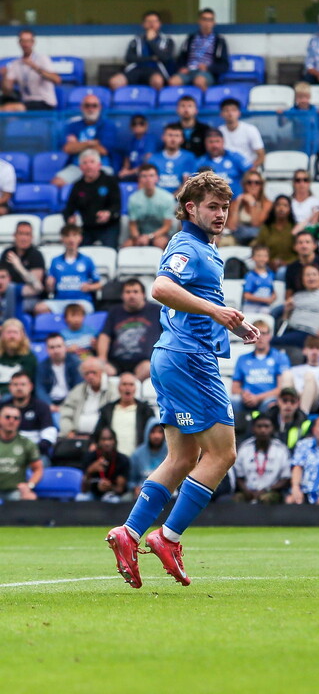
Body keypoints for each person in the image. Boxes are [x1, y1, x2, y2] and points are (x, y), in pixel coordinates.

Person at [106, 170, 261, 590]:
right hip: (189, 361)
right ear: (190, 207)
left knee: (182, 459)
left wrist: (231, 324)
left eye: (225, 207)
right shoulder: (187, 245)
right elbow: (160, 287)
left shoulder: (207, 250)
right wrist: (216, 314)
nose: (221, 214)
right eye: (213, 206)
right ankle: (168, 537)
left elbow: (196, 301)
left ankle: (130, 533)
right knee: (223, 455)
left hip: (176, 356)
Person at [96, 278, 162, 381]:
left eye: (135, 292)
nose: (132, 295)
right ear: (122, 295)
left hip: (144, 361)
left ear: (143, 294)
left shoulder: (156, 310)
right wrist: (102, 358)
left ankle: (130, 386)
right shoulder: (114, 311)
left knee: (149, 368)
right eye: (128, 292)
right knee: (96, 368)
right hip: (116, 362)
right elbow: (105, 336)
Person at [58, 150, 122, 248]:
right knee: (77, 247)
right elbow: (69, 208)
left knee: (109, 251)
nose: (88, 166)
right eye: (85, 163)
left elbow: (117, 205)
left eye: (92, 162)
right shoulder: (78, 186)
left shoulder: (110, 181)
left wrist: (108, 213)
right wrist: (69, 218)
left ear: (99, 165)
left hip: (109, 226)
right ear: (80, 167)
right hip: (87, 227)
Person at [52, 96, 118, 188]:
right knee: (56, 183)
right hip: (77, 166)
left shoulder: (108, 126)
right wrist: (91, 143)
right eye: (87, 106)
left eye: (94, 106)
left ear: (100, 108)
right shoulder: (73, 125)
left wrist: (78, 144)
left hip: (101, 166)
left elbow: (103, 150)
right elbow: (67, 148)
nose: (91, 109)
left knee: (103, 185)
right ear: (81, 107)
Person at [38, 223, 103, 315]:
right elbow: (50, 289)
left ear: (80, 238)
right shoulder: (55, 261)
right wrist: (49, 285)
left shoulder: (87, 260)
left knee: (76, 311)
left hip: (81, 301)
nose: (71, 239)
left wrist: (89, 287)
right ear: (62, 239)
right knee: (40, 308)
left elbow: (99, 284)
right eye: (67, 236)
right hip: (60, 301)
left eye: (74, 235)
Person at [275, 263, 319, 348]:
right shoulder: (297, 295)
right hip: (292, 330)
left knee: (272, 342)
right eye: (307, 275)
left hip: (311, 333)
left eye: (314, 274)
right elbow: (285, 320)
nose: (311, 278)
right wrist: (287, 310)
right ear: (302, 279)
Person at [232, 320, 290, 418]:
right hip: (246, 400)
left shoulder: (280, 357)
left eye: (263, 333)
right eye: (255, 333)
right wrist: (244, 394)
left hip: (269, 399)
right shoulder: (242, 359)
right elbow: (234, 388)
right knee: (232, 401)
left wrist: (258, 398)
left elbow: (281, 388)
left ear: (270, 336)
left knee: (271, 404)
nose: (260, 337)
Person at [94, 371, 156, 457]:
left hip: (138, 458)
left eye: (131, 384)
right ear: (118, 388)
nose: (128, 388)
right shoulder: (107, 410)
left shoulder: (145, 411)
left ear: (135, 388)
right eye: (124, 384)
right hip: (113, 460)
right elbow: (97, 434)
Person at [110, 10, 177, 91]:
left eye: (154, 21)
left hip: (156, 70)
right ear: (143, 25)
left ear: (159, 24)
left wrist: (150, 41)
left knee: (157, 81)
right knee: (114, 82)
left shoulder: (168, 41)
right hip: (137, 68)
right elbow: (129, 58)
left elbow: (165, 58)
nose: (152, 24)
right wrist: (152, 58)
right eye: (148, 22)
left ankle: (154, 103)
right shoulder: (136, 40)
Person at [233, 414, 291, 504]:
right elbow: (239, 476)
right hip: (248, 491)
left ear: (272, 429)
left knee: (267, 499)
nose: (263, 430)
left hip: (271, 491)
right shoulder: (244, 448)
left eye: (267, 426)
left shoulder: (281, 450)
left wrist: (267, 489)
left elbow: (285, 478)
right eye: (259, 426)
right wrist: (246, 490)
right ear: (253, 429)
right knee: (237, 499)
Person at [59, 355, 117, 441]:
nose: (90, 376)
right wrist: (69, 431)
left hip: (103, 438)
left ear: (102, 372)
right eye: (87, 373)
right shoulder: (77, 391)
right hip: (76, 436)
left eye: (94, 372)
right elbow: (65, 414)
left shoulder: (113, 391)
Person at [169, 8, 229, 91]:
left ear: (214, 23)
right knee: (173, 82)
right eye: (204, 19)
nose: (207, 23)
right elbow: (181, 58)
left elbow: (224, 65)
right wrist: (181, 68)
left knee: (199, 81)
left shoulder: (219, 41)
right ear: (199, 21)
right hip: (189, 71)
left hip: (206, 73)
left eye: (210, 20)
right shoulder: (190, 38)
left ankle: (201, 102)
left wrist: (208, 68)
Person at [0, 29, 60, 111]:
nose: (25, 44)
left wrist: (35, 67)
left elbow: (56, 80)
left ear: (33, 42)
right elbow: (7, 91)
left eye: (28, 41)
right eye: (23, 41)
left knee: (9, 108)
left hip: (44, 101)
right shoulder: (16, 64)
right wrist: (5, 76)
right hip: (26, 101)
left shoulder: (42, 59)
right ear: (19, 43)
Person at [287, 412, 319, 505]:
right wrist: (295, 487)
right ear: (314, 430)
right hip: (304, 492)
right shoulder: (303, 444)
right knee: (290, 500)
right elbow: (297, 467)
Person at [2, 370, 56, 455]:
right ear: (10, 387)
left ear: (31, 386)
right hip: (6, 452)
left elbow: (49, 434)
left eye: (23, 384)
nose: (19, 388)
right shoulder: (3, 407)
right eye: (15, 384)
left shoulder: (42, 407)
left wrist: (33, 451)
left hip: (35, 453)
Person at [278, 336, 319, 414]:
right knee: (286, 374)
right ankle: (284, 413)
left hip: (317, 401)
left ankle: (302, 415)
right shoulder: (294, 370)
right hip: (295, 397)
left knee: (309, 376)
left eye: (317, 348)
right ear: (304, 351)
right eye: (311, 348)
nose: (314, 352)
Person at [124, 163, 175, 249]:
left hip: (161, 234)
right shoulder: (133, 198)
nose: (148, 179)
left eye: (151, 176)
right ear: (139, 179)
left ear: (157, 178)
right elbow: (133, 224)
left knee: (159, 243)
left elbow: (167, 226)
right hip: (141, 234)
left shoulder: (167, 198)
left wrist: (149, 237)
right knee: (126, 246)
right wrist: (137, 238)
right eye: (144, 176)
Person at [0, 403, 43, 501]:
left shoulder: (26, 443)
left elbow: (38, 469)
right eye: (7, 417)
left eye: (16, 418)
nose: (11, 421)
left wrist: (29, 485)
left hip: (15, 491)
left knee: (30, 498)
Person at [1, 220, 45, 313]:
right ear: (14, 235)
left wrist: (19, 266)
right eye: (21, 234)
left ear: (32, 237)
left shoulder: (36, 255)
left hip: (28, 298)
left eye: (27, 234)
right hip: (6, 295)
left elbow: (37, 287)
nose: (23, 238)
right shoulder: (7, 253)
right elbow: (2, 279)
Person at [36, 332, 82, 409]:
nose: (56, 350)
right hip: (50, 402)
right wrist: (49, 405)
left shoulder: (75, 363)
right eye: (52, 347)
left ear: (65, 347)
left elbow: (78, 387)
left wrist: (68, 404)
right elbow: (40, 389)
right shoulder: (42, 366)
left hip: (71, 402)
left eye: (59, 346)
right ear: (46, 350)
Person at [224, 169, 271, 245]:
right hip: (238, 236)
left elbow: (256, 224)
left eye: (257, 183)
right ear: (244, 185)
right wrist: (237, 204)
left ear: (261, 185)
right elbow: (231, 226)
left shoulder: (267, 203)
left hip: (257, 237)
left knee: (255, 244)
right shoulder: (236, 201)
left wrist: (252, 204)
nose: (253, 185)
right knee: (226, 242)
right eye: (249, 182)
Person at [257, 386, 311, 450]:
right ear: (278, 401)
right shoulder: (267, 419)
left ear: (298, 404)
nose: (288, 404)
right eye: (284, 400)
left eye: (292, 401)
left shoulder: (305, 423)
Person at [219, 99, 265, 170]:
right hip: (227, 170)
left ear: (239, 113)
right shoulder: (219, 131)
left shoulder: (250, 129)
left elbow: (261, 155)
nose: (230, 113)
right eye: (226, 110)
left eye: (233, 110)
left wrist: (251, 169)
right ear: (221, 114)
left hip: (248, 169)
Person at [254, 195, 297, 272]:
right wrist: (268, 261)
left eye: (285, 205)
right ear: (273, 208)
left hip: (290, 266)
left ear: (290, 209)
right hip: (267, 265)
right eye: (278, 205)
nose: (281, 208)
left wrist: (286, 263)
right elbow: (259, 247)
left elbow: (299, 253)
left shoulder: (294, 228)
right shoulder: (266, 228)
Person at [153, 124, 197, 195]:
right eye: (170, 135)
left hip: (179, 201)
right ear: (163, 137)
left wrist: (171, 199)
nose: (173, 139)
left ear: (182, 139)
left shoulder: (189, 157)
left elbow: (187, 184)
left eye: (177, 136)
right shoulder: (153, 159)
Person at [129, 421, 167, 498]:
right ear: (147, 433)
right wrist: (135, 488)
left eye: (160, 432)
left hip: (167, 493)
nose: (157, 436)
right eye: (153, 432)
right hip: (142, 494)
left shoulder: (171, 452)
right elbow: (130, 480)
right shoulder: (137, 454)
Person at [241, 244, 276, 317]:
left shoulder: (271, 275)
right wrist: (265, 300)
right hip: (251, 307)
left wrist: (273, 297)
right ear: (253, 257)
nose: (262, 259)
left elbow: (272, 291)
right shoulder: (250, 276)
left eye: (264, 256)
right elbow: (247, 295)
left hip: (264, 308)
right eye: (259, 256)